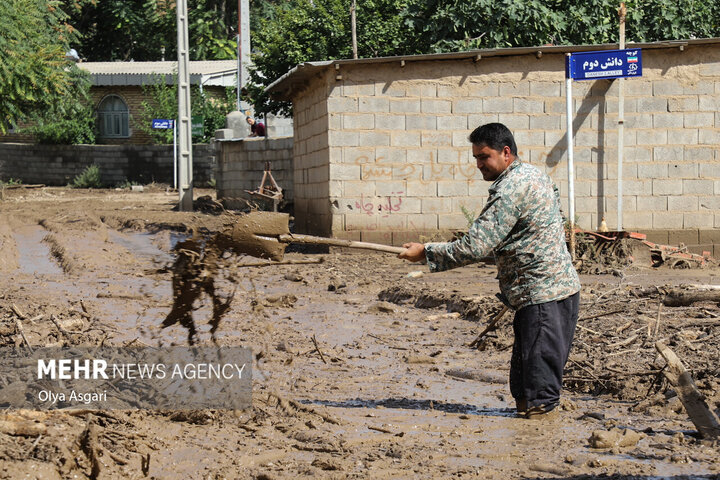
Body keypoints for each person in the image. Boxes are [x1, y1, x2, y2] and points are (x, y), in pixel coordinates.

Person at [399, 122, 581, 419]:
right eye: (475, 158)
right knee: (525, 385)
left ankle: (539, 444)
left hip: (543, 297)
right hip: (552, 293)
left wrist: (425, 253)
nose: (479, 165)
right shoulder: (535, 176)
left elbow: (474, 246)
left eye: (484, 157)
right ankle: (526, 442)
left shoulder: (510, 189)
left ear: (505, 152)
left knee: (539, 392)